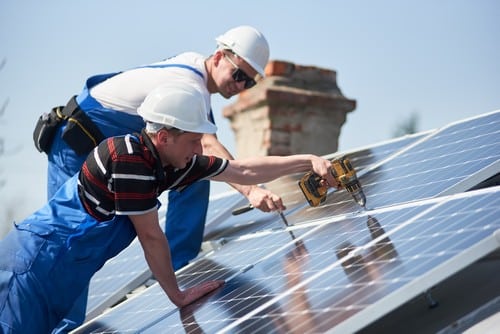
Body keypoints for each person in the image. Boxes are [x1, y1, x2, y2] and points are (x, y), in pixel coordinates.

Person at [1, 83, 337, 334]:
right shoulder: (127, 157)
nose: (198, 148)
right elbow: (151, 236)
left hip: (63, 275)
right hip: (32, 268)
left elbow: (244, 171)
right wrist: (176, 294)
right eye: (194, 141)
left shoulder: (171, 163)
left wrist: (308, 161)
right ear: (164, 137)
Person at [42, 25, 278, 332]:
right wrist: (250, 191)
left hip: (110, 154)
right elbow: (208, 146)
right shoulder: (188, 85)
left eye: (249, 82)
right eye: (238, 75)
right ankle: (63, 328)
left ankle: (182, 266)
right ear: (219, 56)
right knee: (73, 240)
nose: (241, 85)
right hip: (75, 145)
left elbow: (198, 152)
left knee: (194, 174)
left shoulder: (197, 79)